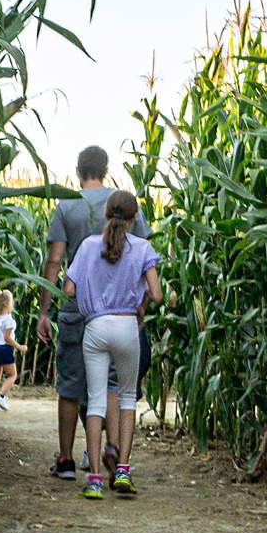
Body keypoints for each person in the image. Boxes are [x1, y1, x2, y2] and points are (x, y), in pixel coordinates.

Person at [37, 146, 150, 479]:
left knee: (70, 384)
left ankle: (66, 460)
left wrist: (45, 310)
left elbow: (55, 260)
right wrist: (140, 307)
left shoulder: (66, 205)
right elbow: (143, 259)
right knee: (112, 384)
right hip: (118, 308)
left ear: (77, 171)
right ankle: (111, 449)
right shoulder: (124, 203)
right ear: (105, 170)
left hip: (77, 306)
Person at [64, 190, 162, 498]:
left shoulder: (88, 246)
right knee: (127, 398)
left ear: (106, 214)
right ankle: (122, 471)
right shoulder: (143, 247)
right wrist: (141, 302)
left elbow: (69, 289)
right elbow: (157, 294)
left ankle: (94, 479)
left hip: (95, 327)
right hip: (127, 326)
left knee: (95, 401)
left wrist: (92, 295)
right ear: (135, 219)